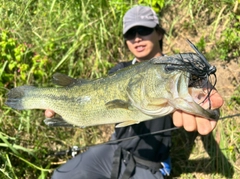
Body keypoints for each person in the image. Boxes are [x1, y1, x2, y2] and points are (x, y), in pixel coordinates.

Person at [46, 5, 224, 179]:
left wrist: (203, 99)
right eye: (130, 34)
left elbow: (204, 100)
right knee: (62, 175)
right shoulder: (119, 70)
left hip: (150, 164)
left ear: (159, 33)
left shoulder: (177, 71)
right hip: (114, 150)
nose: (137, 38)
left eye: (143, 30)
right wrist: (63, 105)